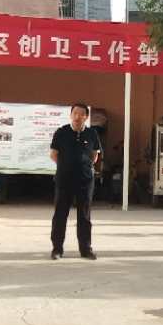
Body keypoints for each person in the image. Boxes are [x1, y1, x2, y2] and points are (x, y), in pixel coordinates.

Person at [50, 104, 102, 260]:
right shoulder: (61, 132)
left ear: (86, 116)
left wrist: (84, 166)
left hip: (85, 180)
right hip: (64, 179)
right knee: (60, 214)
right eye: (75, 113)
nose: (77, 116)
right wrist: (66, 166)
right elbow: (53, 154)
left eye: (81, 114)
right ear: (71, 115)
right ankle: (57, 249)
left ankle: (86, 249)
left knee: (84, 215)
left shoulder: (92, 133)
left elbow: (95, 155)